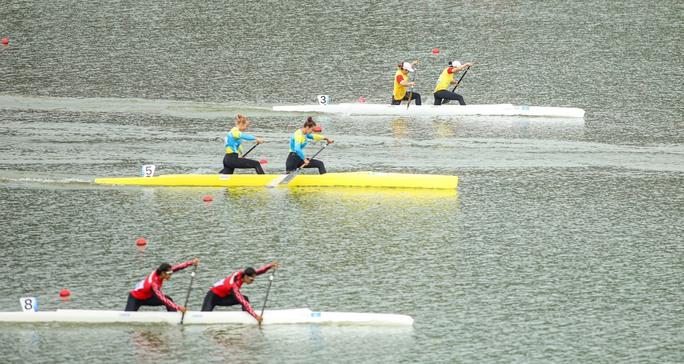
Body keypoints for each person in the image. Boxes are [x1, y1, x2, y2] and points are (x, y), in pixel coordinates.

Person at [201, 261, 279, 323]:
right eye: (251, 280)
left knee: (245, 298)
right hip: (212, 297)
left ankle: (246, 317)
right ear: (246, 277)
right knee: (203, 316)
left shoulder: (243, 274)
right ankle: (250, 314)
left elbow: (257, 272)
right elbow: (242, 302)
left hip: (223, 297)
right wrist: (256, 316)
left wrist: (269, 266)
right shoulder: (233, 286)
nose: (253, 281)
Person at [125, 258, 200, 313]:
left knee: (169, 299)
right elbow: (162, 299)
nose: (170, 276)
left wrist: (191, 262)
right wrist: (178, 307)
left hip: (148, 296)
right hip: (135, 298)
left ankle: (173, 318)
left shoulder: (160, 272)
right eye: (169, 274)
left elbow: (177, 267)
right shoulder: (154, 283)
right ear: (163, 273)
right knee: (127, 317)